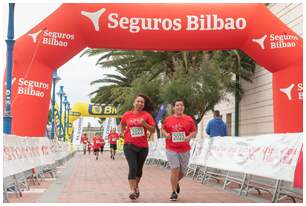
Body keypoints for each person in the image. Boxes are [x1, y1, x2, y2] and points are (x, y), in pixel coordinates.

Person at [119, 94, 156, 200]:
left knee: (139, 170)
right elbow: (121, 124)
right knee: (133, 167)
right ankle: (132, 191)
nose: (140, 103)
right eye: (138, 101)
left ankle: (136, 187)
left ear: (144, 105)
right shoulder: (127, 114)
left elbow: (152, 130)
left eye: (142, 102)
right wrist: (121, 132)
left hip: (143, 147)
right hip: (129, 145)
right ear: (134, 103)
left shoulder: (147, 115)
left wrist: (144, 123)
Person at [162, 99, 196, 201]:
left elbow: (193, 131)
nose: (179, 107)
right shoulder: (168, 119)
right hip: (171, 148)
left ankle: (176, 182)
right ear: (174, 108)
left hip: (184, 149)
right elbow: (163, 129)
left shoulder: (189, 119)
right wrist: (166, 134)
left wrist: (189, 137)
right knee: (175, 169)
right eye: (177, 105)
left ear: (183, 107)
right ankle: (173, 192)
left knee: (183, 172)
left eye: (181, 105)